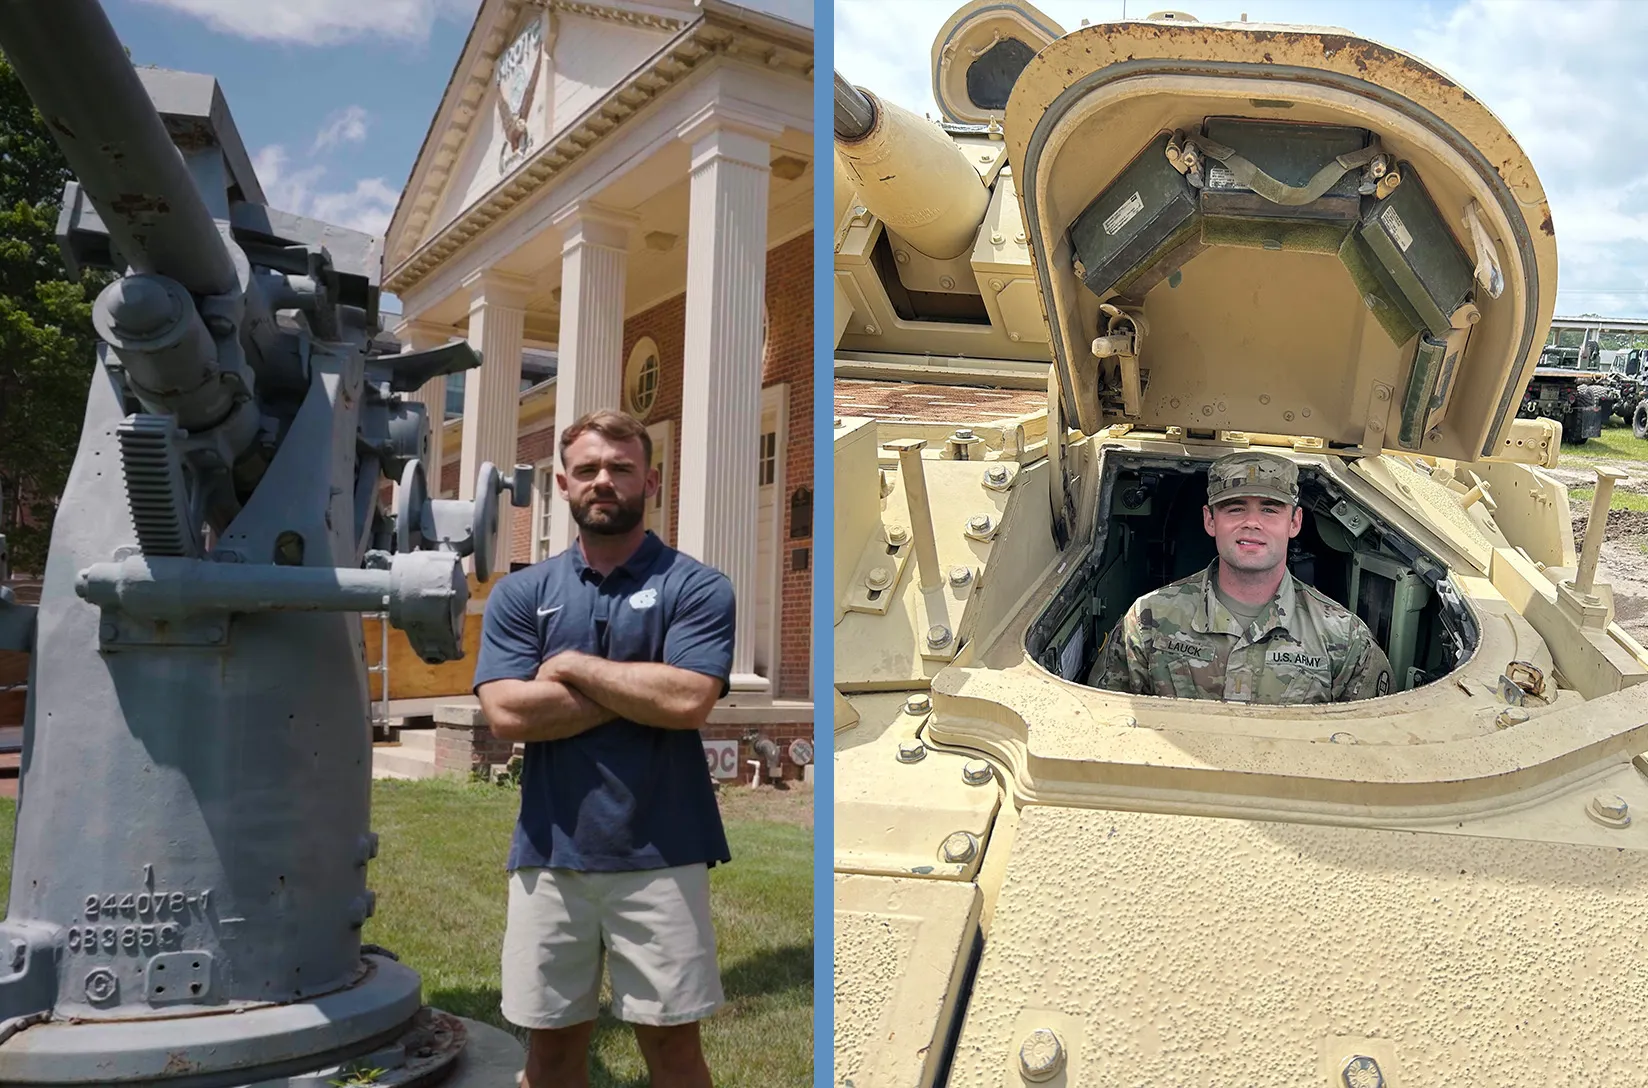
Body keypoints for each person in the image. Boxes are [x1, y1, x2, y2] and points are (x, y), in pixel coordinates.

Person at [473, 408, 734, 1088]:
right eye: (587, 469)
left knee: (673, 1051)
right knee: (552, 1054)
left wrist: (569, 666)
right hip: (550, 851)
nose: (603, 481)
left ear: (651, 480)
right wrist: (637, 690)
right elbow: (505, 711)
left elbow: (687, 701)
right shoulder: (522, 592)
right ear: (563, 484)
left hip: (663, 851)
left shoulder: (696, 586)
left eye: (620, 468)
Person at [1089, 450, 1392, 703]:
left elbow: (1373, 744)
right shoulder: (1147, 621)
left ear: (1295, 522)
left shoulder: (1343, 638)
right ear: (1210, 520)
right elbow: (1105, 721)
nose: (1252, 523)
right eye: (1235, 509)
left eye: (1270, 510)